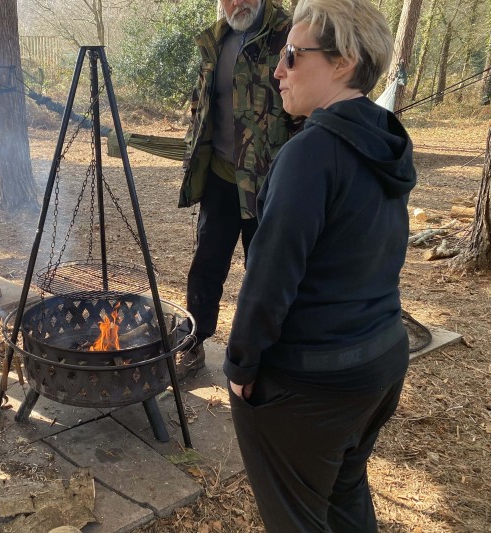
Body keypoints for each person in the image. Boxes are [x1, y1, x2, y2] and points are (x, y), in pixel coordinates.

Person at [224, 0, 416, 530]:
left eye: (292, 55)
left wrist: (241, 366)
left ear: (343, 62)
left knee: (297, 517)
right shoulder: (385, 139)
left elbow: (271, 273)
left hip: (314, 382)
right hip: (379, 363)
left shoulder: (312, 153)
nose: (278, 70)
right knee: (344, 496)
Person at [176, 0, 297, 379]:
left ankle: (265, 353)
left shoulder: (291, 34)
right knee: (207, 264)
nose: (237, 2)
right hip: (221, 176)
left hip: (269, 181)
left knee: (265, 271)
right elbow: (205, 102)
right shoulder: (218, 37)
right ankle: (193, 341)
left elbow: (306, 111)